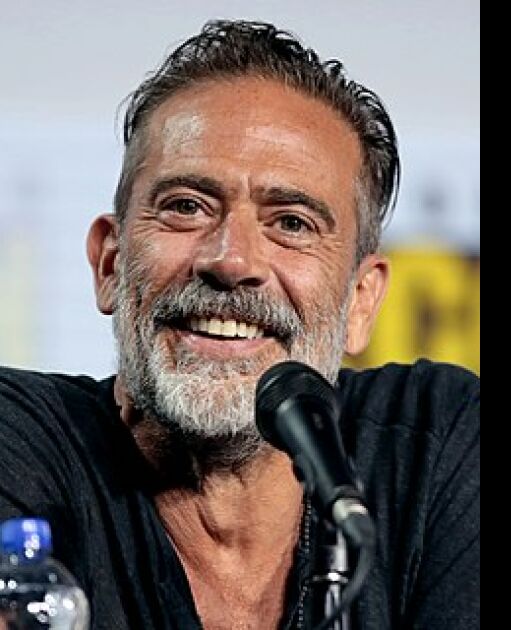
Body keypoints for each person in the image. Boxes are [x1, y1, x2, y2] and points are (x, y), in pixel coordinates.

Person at [0, 20, 479, 629]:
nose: (232, 261)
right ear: (110, 264)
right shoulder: (18, 442)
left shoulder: (434, 449)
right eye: (186, 207)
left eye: (292, 223)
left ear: (362, 301)